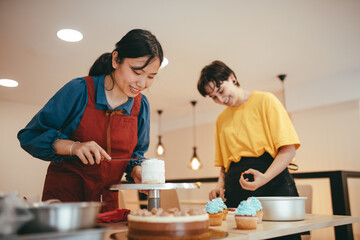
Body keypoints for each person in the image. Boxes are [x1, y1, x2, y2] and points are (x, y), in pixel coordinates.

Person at [17, 29, 163, 212]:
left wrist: (137, 169)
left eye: (150, 77)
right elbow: (30, 135)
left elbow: (136, 154)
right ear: (116, 60)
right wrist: (74, 147)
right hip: (65, 202)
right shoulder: (79, 90)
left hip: (108, 204)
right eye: (136, 71)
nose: (142, 84)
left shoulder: (141, 106)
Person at [197, 60, 301, 208]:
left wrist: (264, 178)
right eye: (213, 97)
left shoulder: (266, 100)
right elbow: (224, 166)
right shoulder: (221, 120)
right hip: (235, 188)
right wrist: (219, 186)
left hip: (273, 183)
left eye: (220, 91)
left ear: (232, 77)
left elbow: (288, 149)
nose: (220, 99)